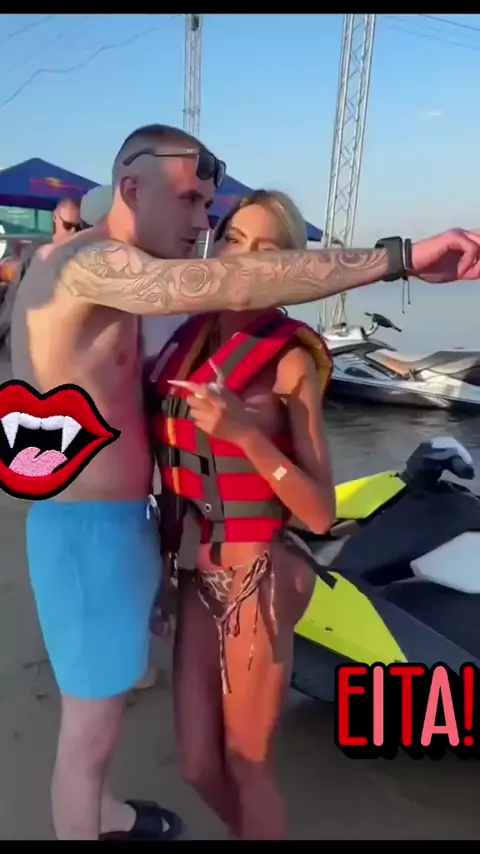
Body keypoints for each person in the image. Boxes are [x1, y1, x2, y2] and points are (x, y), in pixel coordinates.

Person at [9, 122, 480, 841]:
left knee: (211, 754)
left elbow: (309, 505)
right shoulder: (104, 274)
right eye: (196, 205)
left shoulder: (230, 340)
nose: (204, 222)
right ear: (132, 189)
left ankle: (114, 816)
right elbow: (218, 288)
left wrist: (234, 458)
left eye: (211, 207)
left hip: (209, 557)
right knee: (125, 744)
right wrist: (400, 259)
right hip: (106, 541)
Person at [146, 188, 338, 840]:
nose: (244, 258)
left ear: (287, 266)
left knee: (248, 764)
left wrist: (246, 435)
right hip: (195, 571)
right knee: (199, 765)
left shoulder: (289, 361)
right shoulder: (186, 339)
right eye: (234, 240)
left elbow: (320, 512)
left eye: (266, 249)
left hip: (259, 573)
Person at [0, 198, 82, 351]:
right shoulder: (35, 254)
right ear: (55, 220)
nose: (73, 232)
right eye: (68, 225)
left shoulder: (39, 255)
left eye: (78, 228)